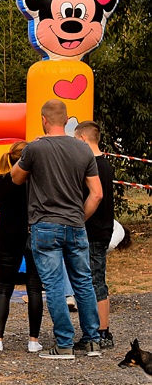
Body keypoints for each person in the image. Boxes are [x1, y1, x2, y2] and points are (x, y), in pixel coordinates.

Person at [11, 100, 103, 359]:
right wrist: (78, 218)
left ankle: (64, 344)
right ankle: (92, 340)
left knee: (53, 285)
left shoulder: (36, 148)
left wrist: (29, 153)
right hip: (75, 224)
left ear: (44, 120)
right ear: (65, 120)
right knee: (83, 283)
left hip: (45, 225)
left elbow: (16, 178)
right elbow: (96, 194)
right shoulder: (83, 150)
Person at [0, 141, 44, 353]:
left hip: (8, 237)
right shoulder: (37, 183)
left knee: (4, 289)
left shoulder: (0, 181)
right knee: (34, 288)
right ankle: (33, 340)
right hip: (33, 236)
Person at [74, 121, 115, 345]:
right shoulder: (104, 164)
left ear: (82, 139)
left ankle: (102, 331)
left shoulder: (93, 166)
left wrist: (79, 219)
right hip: (101, 229)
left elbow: (96, 197)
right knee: (93, 280)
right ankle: (97, 329)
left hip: (93, 231)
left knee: (95, 281)